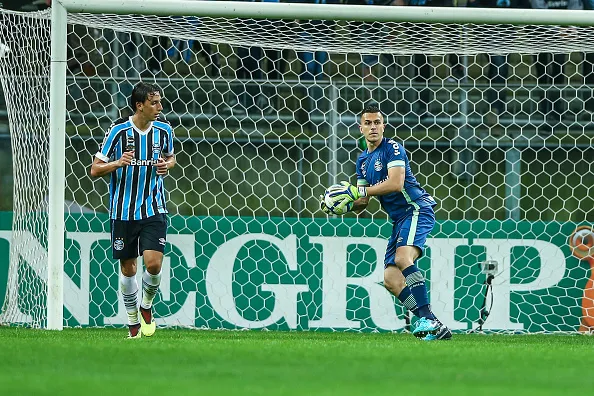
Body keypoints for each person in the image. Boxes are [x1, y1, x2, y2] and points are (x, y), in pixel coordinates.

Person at [321, 104, 451, 341]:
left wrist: (357, 192)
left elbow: (395, 184)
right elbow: (363, 201)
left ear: (383, 126)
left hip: (416, 209)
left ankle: (427, 319)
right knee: (391, 281)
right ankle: (432, 322)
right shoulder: (362, 161)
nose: (373, 127)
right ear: (360, 128)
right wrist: (344, 205)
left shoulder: (393, 148)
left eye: (377, 122)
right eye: (368, 123)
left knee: (403, 258)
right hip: (399, 219)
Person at [90, 82, 176, 339]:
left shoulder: (164, 129)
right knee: (129, 269)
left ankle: (146, 306)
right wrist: (118, 162)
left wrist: (167, 166)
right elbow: (95, 170)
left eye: (160, 102)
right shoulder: (118, 131)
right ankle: (132, 324)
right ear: (140, 105)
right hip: (123, 211)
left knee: (153, 264)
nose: (160, 107)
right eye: (154, 103)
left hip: (154, 207)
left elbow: (172, 157)